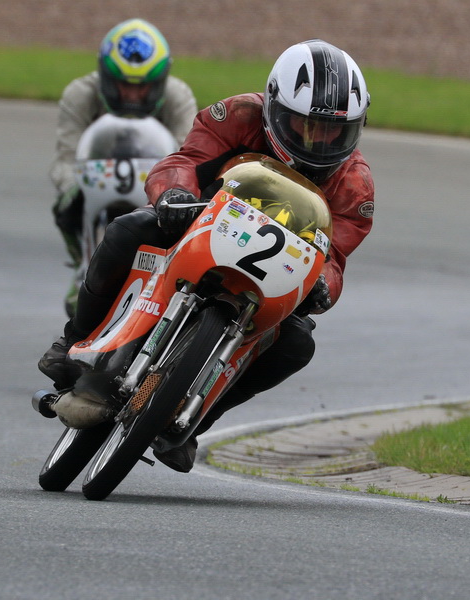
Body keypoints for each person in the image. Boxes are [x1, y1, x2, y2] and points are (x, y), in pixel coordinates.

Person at [39, 39, 375, 473]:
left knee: (297, 344)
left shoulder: (356, 187)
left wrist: (325, 285)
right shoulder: (238, 115)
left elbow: (335, 256)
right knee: (127, 230)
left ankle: (195, 421)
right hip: (202, 222)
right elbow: (184, 159)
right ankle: (72, 339)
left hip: (272, 275)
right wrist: (174, 194)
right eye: (304, 125)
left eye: (335, 131)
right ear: (274, 107)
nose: (318, 141)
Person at [48, 18, 197, 315]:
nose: (131, 95)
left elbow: (189, 157)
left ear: (160, 80)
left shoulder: (178, 97)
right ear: (104, 74)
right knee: (66, 204)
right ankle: (83, 265)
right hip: (97, 184)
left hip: (156, 186)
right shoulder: (80, 94)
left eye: (142, 88)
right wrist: (76, 186)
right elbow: (65, 159)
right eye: (122, 86)